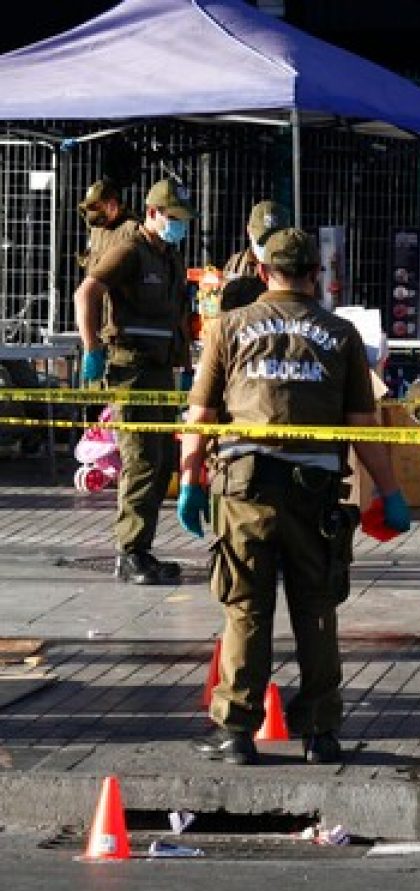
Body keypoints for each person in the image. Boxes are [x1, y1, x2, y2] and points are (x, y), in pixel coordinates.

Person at [178, 228, 411, 767]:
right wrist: (393, 493)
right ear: (317, 275)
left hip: (243, 488)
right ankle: (320, 733)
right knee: (317, 611)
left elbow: (201, 418)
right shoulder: (341, 334)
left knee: (245, 610)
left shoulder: (228, 328)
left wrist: (191, 483)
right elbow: (363, 425)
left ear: (262, 273)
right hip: (317, 495)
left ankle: (237, 731)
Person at [73, 178, 195, 586]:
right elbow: (87, 292)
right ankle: (130, 552)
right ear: (152, 213)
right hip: (131, 367)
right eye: (172, 217)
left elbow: (177, 314)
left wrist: (185, 361)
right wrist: (92, 347)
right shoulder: (130, 250)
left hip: (161, 369)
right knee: (141, 459)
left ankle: (142, 548)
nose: (178, 225)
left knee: (161, 463)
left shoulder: (170, 257)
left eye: (183, 218)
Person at [221, 199, 291, 310]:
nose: (269, 246)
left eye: (275, 240)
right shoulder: (237, 263)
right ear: (249, 231)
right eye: (263, 240)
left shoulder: (295, 266)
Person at [78, 178, 140, 274]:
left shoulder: (133, 228)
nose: (93, 213)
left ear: (112, 205)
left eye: (97, 207)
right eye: (90, 207)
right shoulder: (96, 228)